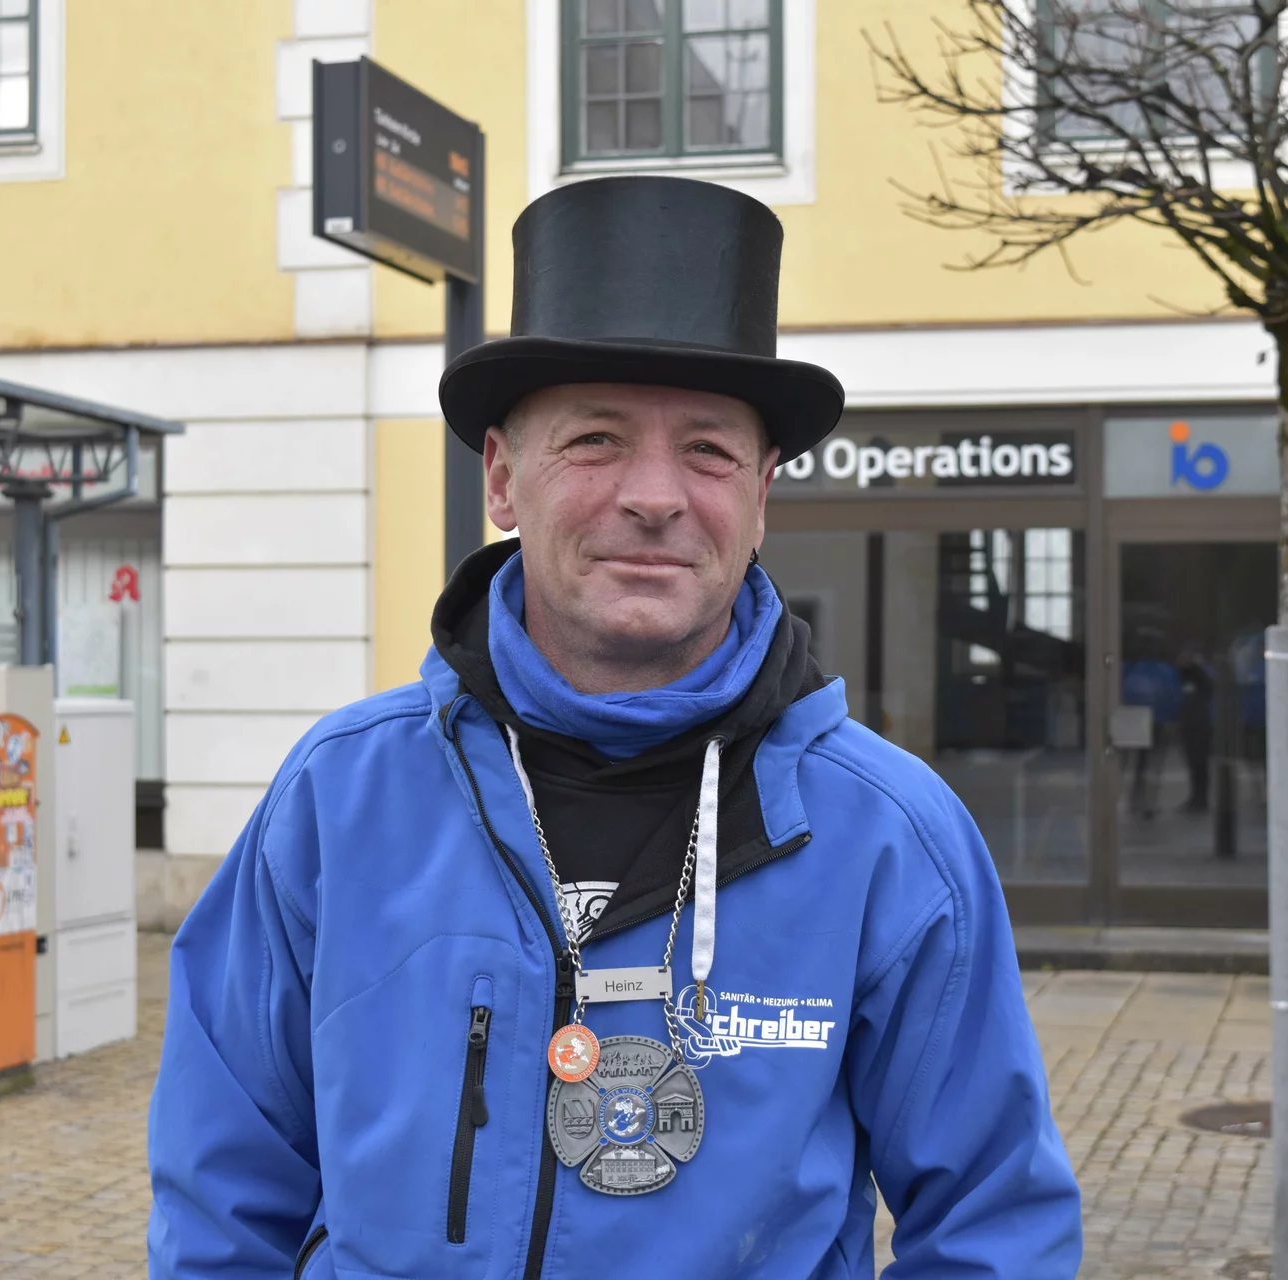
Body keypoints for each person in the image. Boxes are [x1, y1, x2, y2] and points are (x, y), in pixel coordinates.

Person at [147, 175, 1082, 1279]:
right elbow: (223, 1194)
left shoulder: (889, 837)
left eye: (709, 451)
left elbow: (993, 1225)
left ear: (762, 495)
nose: (654, 495)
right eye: (595, 440)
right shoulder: (338, 796)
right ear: (503, 478)